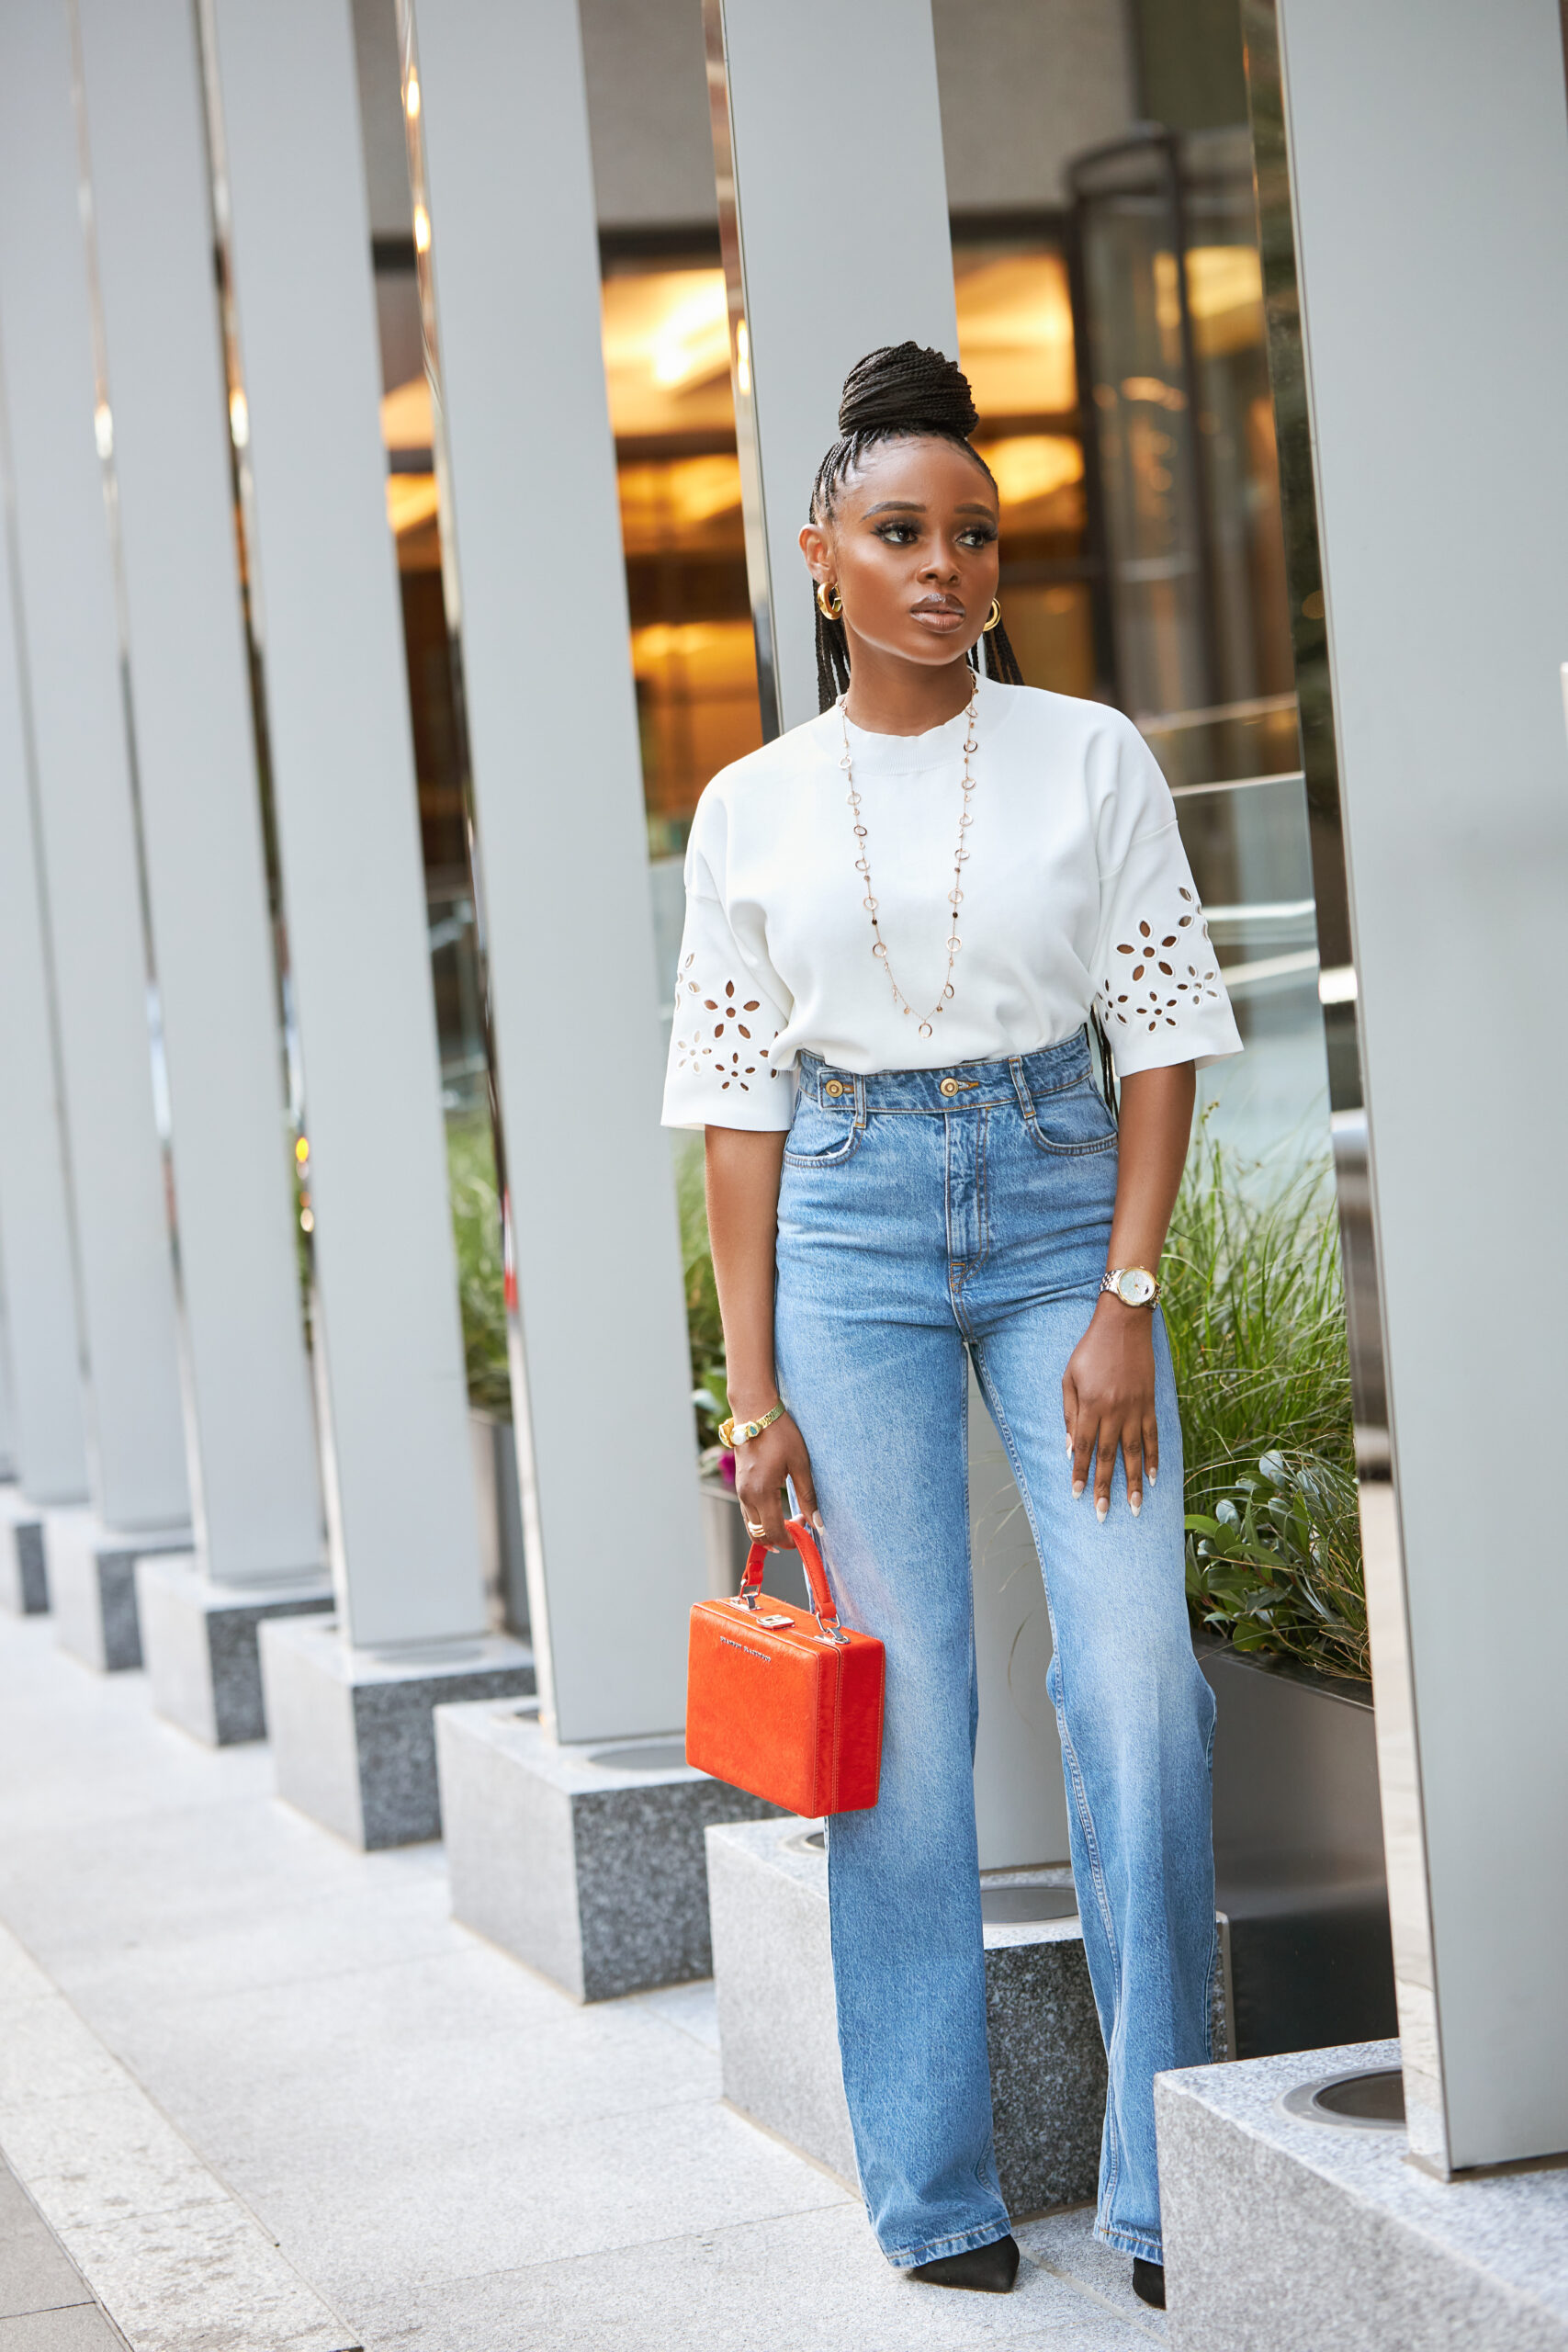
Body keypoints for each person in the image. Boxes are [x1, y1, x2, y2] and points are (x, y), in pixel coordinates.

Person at [661, 343, 1241, 2308]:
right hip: (841, 1233)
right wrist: (749, 1391)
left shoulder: (1088, 755)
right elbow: (737, 1121)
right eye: (899, 532)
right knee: (900, 1725)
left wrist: (1122, 1302)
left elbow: (1155, 1040)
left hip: (1062, 1200)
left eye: (973, 537)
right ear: (817, 552)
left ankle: (1172, 2185)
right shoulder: (745, 808)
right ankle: (931, 2187)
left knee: (1138, 1688)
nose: (942, 566)